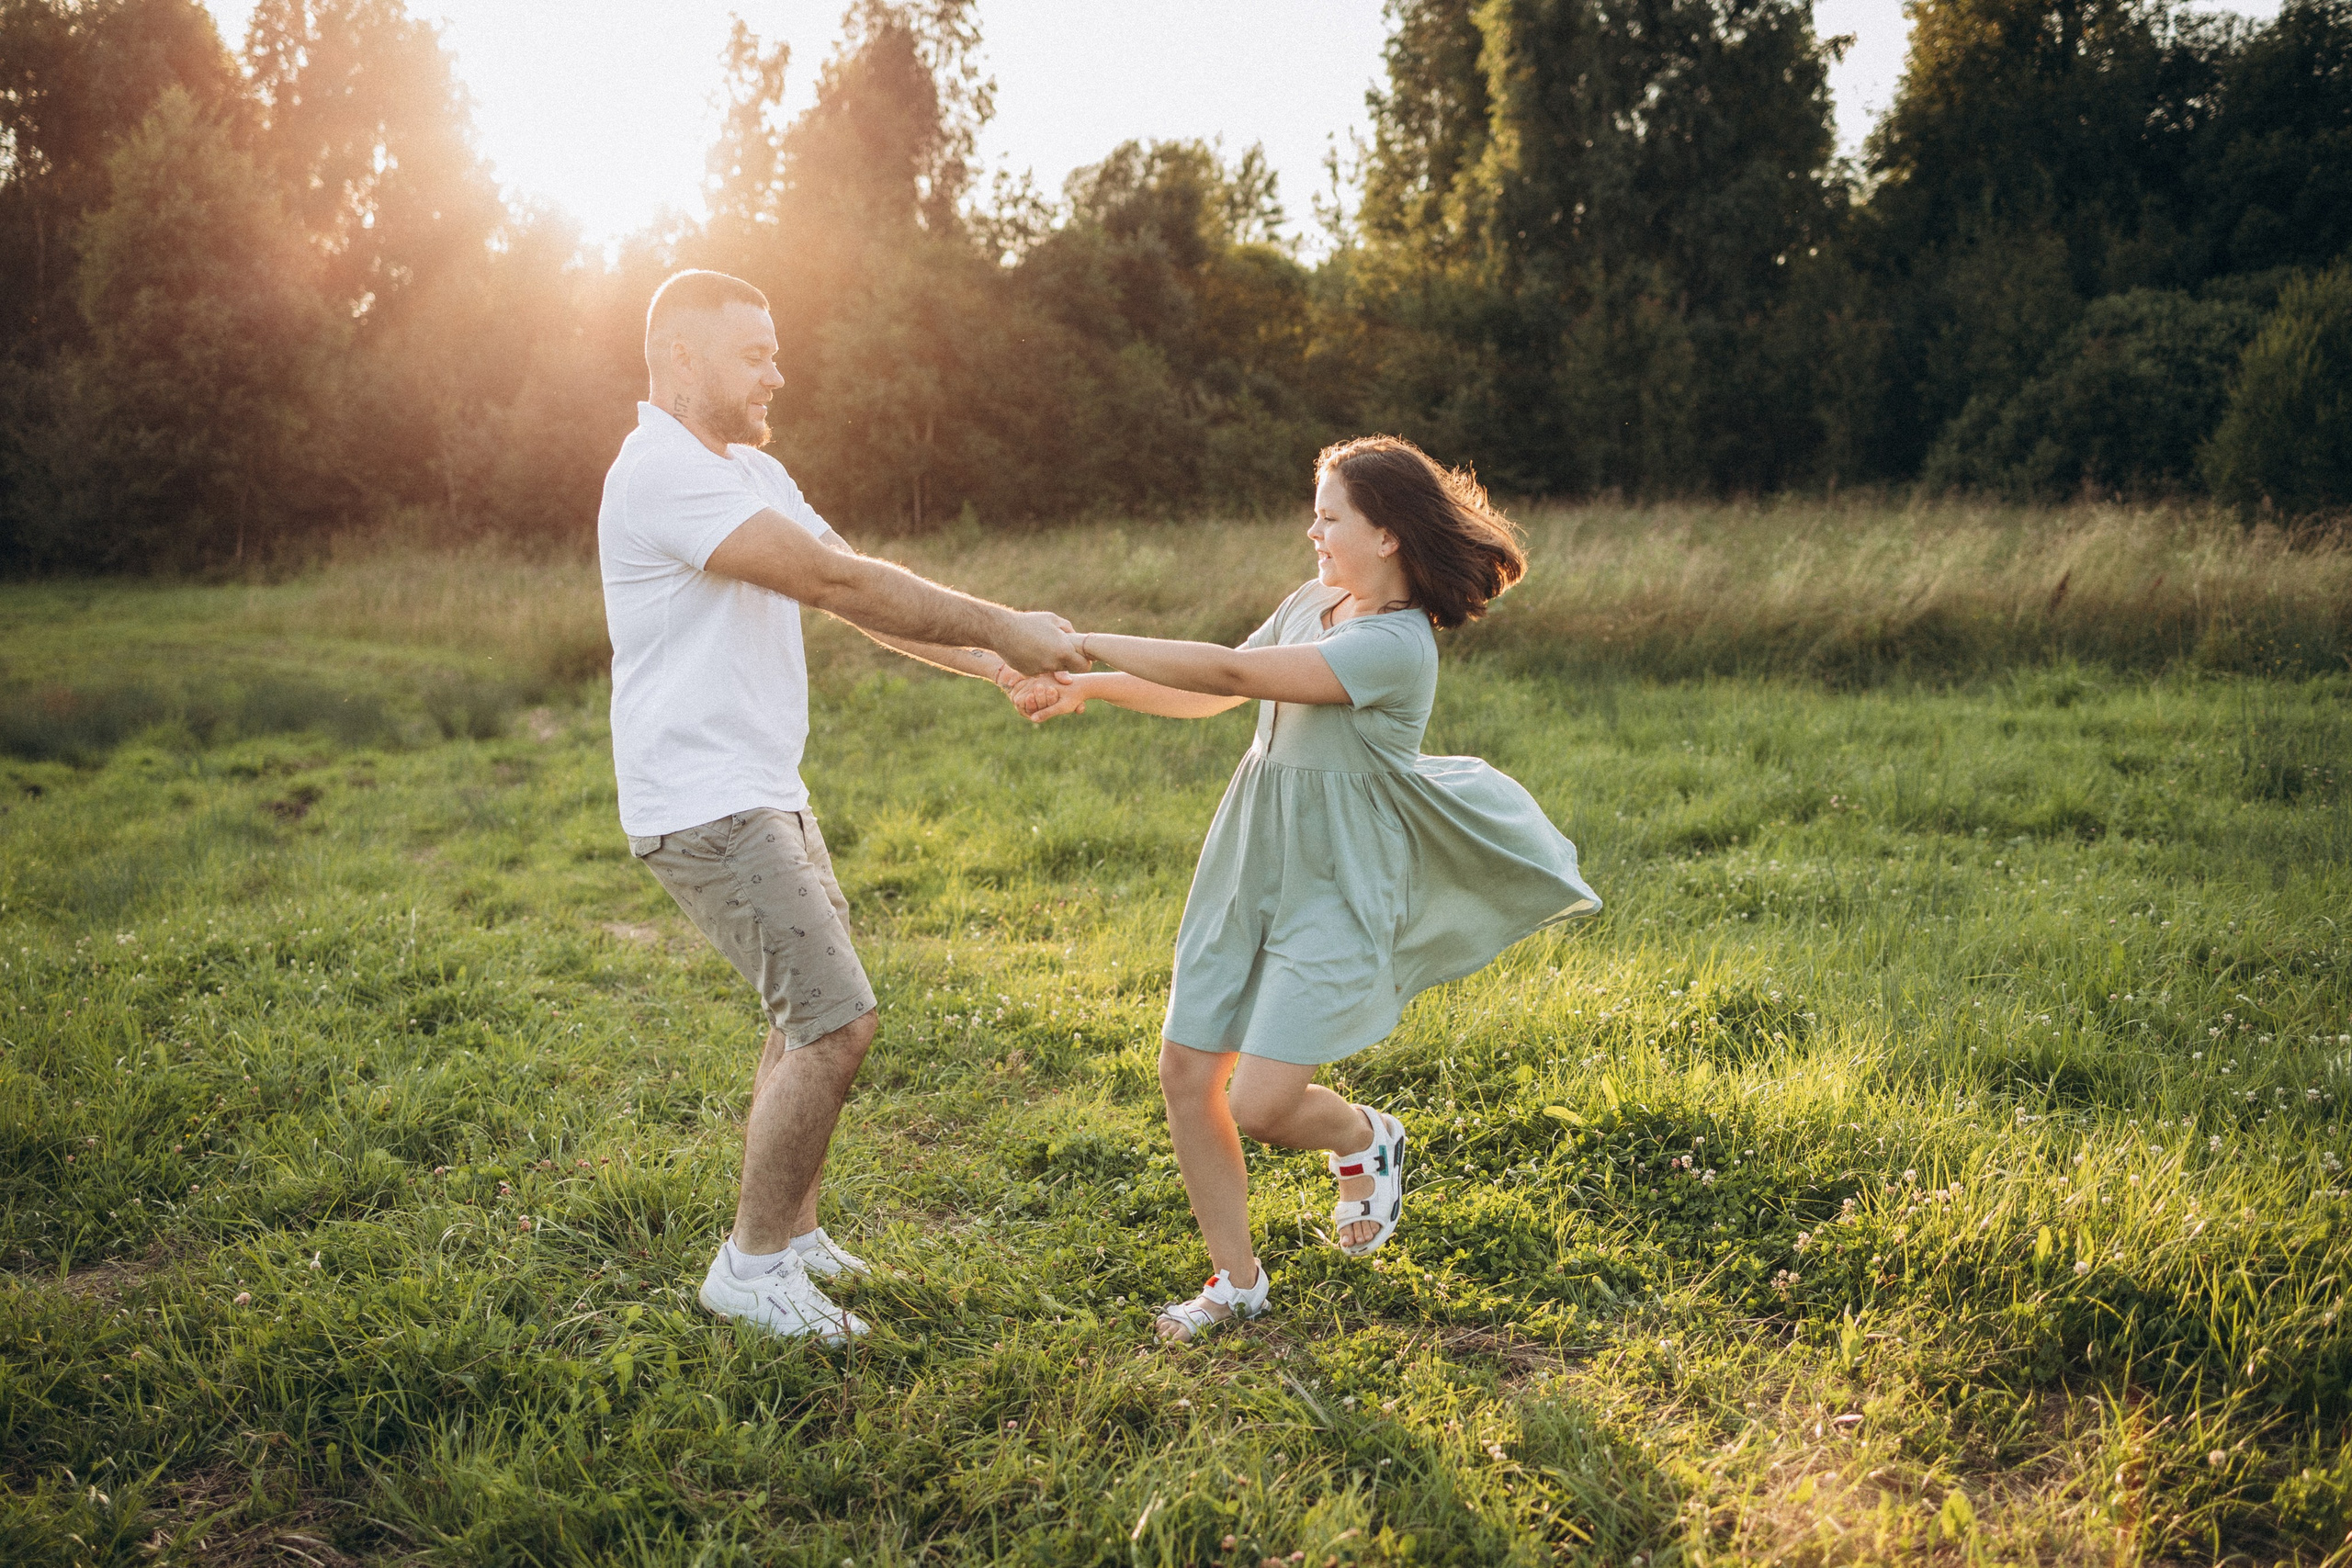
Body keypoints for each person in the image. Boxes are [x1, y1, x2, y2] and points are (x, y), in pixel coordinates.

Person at [1013, 435, 1600, 1343]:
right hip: (1249, 858)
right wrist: (1088, 686)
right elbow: (1216, 694)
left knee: (1260, 1104)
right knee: (1186, 1072)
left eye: (1329, 517)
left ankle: (1364, 1135)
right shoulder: (1311, 602)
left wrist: (1078, 640)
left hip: (1336, 879)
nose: (1313, 532)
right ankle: (1236, 1281)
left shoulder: (1394, 645)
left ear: (1387, 535)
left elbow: (1231, 671)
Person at [600, 269, 1088, 1345]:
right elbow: (835, 586)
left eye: (775, 352)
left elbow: (858, 587)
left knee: (805, 1018)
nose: (778, 373)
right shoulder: (660, 474)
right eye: (754, 354)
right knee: (835, 1022)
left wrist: (991, 666)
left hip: (762, 788)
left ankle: (794, 1234)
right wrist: (1004, 625)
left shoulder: (751, 470)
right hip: (706, 801)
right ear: (681, 357)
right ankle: (749, 1269)